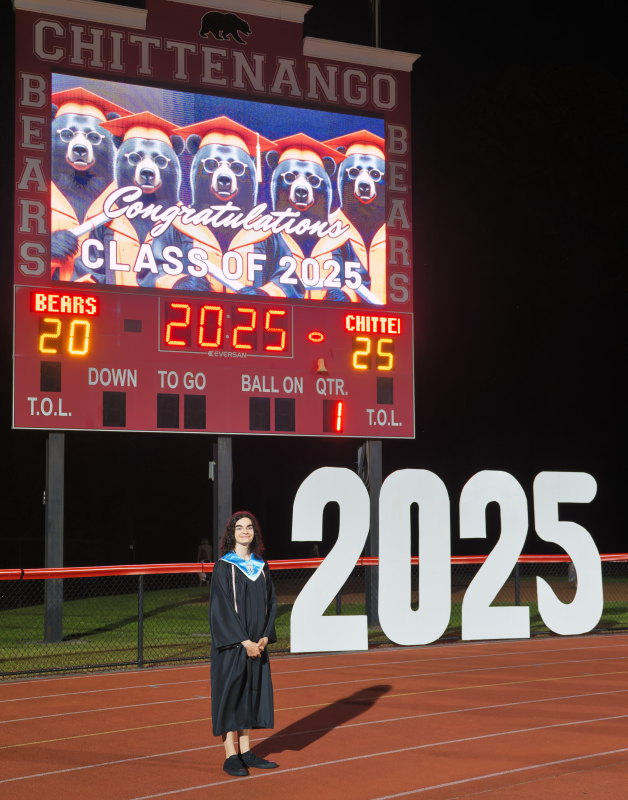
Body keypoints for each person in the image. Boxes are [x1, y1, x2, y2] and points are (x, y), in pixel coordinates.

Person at [209, 511, 279, 777]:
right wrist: (244, 640)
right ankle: (231, 755)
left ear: (254, 533)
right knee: (231, 695)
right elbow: (221, 608)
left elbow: (271, 603)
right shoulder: (224, 566)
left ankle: (247, 751)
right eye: (239, 527)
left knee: (250, 693)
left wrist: (264, 636)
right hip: (233, 644)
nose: (245, 531)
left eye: (249, 527)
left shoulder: (261, 566)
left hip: (256, 643)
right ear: (232, 533)